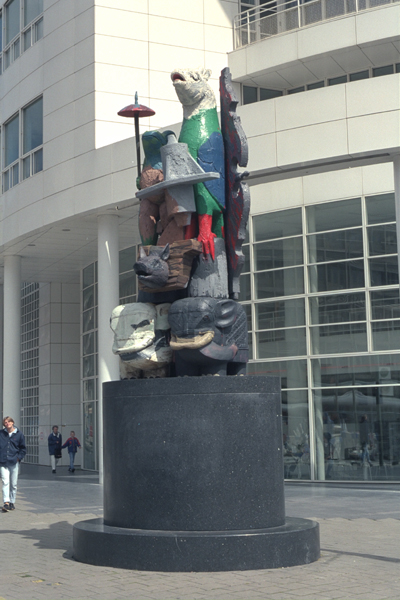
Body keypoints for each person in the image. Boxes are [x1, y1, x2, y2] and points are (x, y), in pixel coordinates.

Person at [0, 416, 26, 512]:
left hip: (14, 461)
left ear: (12, 422)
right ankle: (6, 502)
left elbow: (23, 448)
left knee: (13, 484)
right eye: (5, 422)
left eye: (9, 422)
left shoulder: (19, 434)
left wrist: (18, 458)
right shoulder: (1, 434)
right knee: (5, 482)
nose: (7, 424)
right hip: (3, 462)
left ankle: (12, 501)